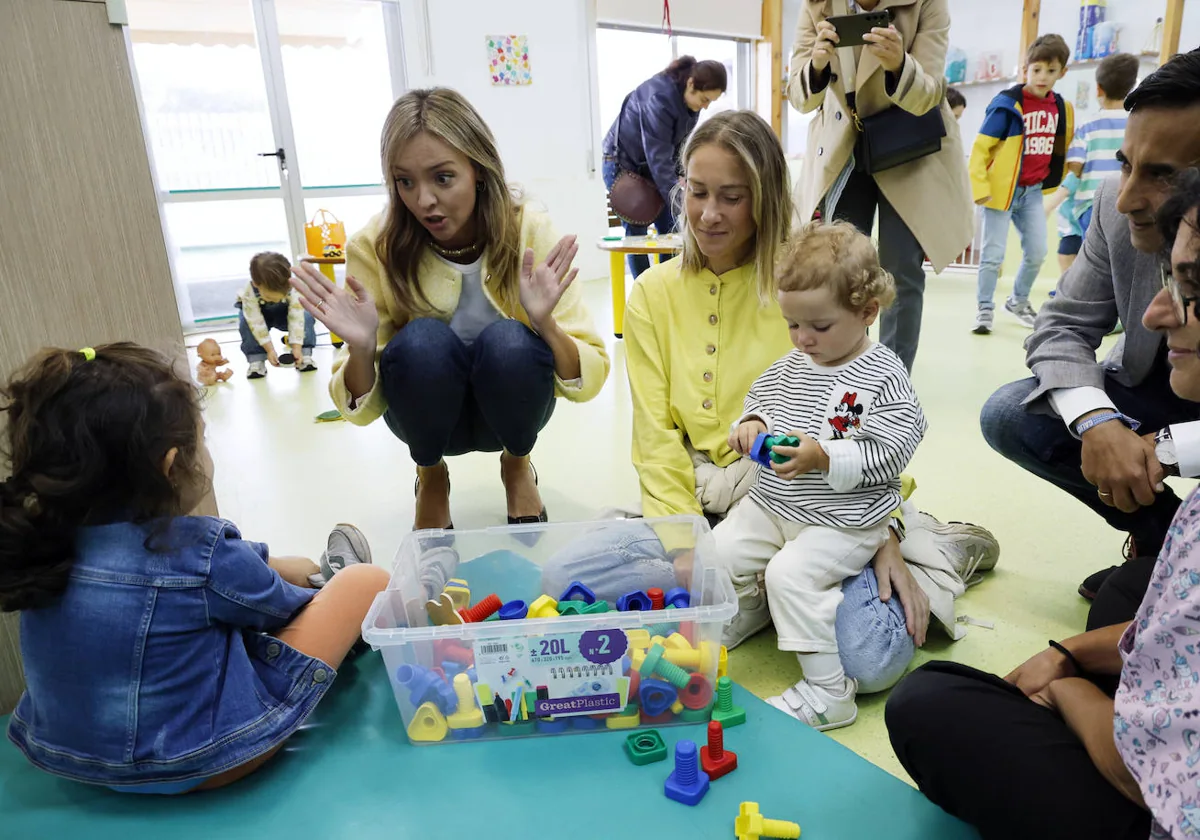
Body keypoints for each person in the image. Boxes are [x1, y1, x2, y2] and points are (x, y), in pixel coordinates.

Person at [544, 110, 997, 696]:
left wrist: (882, 532)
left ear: (763, 197)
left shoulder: (805, 287)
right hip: (707, 502)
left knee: (870, 658)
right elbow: (655, 438)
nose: (708, 214)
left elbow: (865, 420)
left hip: (819, 505)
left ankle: (933, 548)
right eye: (697, 192)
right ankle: (761, 594)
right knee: (566, 575)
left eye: (731, 196)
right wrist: (684, 545)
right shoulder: (652, 292)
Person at [886, 169, 1200, 840]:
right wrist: (1069, 652)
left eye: (1193, 289)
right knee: (1130, 590)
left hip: (1159, 800)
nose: (1154, 312)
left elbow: (1155, 779)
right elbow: (1059, 329)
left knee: (925, 699)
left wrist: (1066, 685)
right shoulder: (1118, 225)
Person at [0, 343, 391, 793]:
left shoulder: (43, 541)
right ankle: (334, 576)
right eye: (202, 439)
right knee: (364, 582)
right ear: (171, 465)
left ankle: (300, 571)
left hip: (71, 758)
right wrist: (306, 581)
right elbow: (283, 612)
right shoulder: (195, 551)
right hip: (203, 759)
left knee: (241, 583)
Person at [291, 88, 609, 531]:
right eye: (405, 181)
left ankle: (517, 465)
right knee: (421, 342)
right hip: (427, 419)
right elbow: (361, 408)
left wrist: (545, 325)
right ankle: (430, 475)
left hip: (512, 410)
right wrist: (362, 349)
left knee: (510, 342)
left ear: (478, 171)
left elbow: (588, 373)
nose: (423, 201)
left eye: (442, 178)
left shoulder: (528, 227)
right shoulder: (374, 245)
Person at [979, 49, 1200, 624]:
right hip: (1157, 385)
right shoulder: (1113, 204)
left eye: (1163, 176)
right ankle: (1162, 542)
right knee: (1010, 412)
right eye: (1127, 163)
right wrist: (1099, 423)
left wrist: (1171, 448)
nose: (1127, 197)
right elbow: (1062, 326)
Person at [716, 221, 925, 730]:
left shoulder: (883, 375)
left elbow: (895, 449)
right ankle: (742, 611)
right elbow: (759, 403)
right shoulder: (791, 364)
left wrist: (825, 457)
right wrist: (750, 426)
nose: (803, 339)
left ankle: (830, 695)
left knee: (792, 574)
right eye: (793, 325)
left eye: (820, 326)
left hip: (843, 521)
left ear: (867, 312)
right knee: (716, 551)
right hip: (774, 505)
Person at [789, 0, 973, 373]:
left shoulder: (928, 4)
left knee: (900, 271)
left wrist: (898, 64)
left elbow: (930, 93)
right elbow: (798, 97)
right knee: (834, 269)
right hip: (843, 149)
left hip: (908, 146)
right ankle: (834, 373)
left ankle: (891, 381)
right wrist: (818, 65)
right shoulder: (816, 5)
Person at [969, 34, 1074, 334]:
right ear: (1025, 68)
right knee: (993, 256)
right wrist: (980, 188)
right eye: (1036, 69)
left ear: (1062, 73)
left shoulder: (1061, 108)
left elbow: (1061, 145)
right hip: (1001, 192)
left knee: (1038, 252)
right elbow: (980, 149)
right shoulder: (1007, 105)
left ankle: (1018, 301)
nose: (1042, 77)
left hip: (1032, 192)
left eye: (1051, 71)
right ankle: (984, 309)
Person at [601, 56, 727, 278]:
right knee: (637, 235)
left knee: (671, 230)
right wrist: (684, 201)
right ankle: (645, 292)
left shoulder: (690, 102)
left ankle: (669, 285)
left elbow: (680, 150)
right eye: (705, 99)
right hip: (623, 166)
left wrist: (686, 180)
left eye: (711, 102)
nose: (706, 106)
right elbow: (658, 160)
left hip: (651, 168)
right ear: (690, 84)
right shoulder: (658, 98)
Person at [1045, 52, 1141, 273]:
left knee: (1095, 261)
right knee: (1124, 260)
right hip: (1128, 203)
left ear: (1098, 89)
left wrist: (1052, 202)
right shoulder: (1137, 123)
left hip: (1092, 206)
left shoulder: (1088, 126)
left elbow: (1075, 171)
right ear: (1131, 88)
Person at [238, 251, 318, 378]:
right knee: (245, 323)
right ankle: (256, 360)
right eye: (269, 297)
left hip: (285, 315)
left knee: (306, 316)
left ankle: (304, 354)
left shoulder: (293, 287)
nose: (275, 300)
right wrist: (269, 349)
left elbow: (297, 318)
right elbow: (255, 322)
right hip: (260, 317)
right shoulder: (250, 292)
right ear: (256, 284)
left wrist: (296, 347)